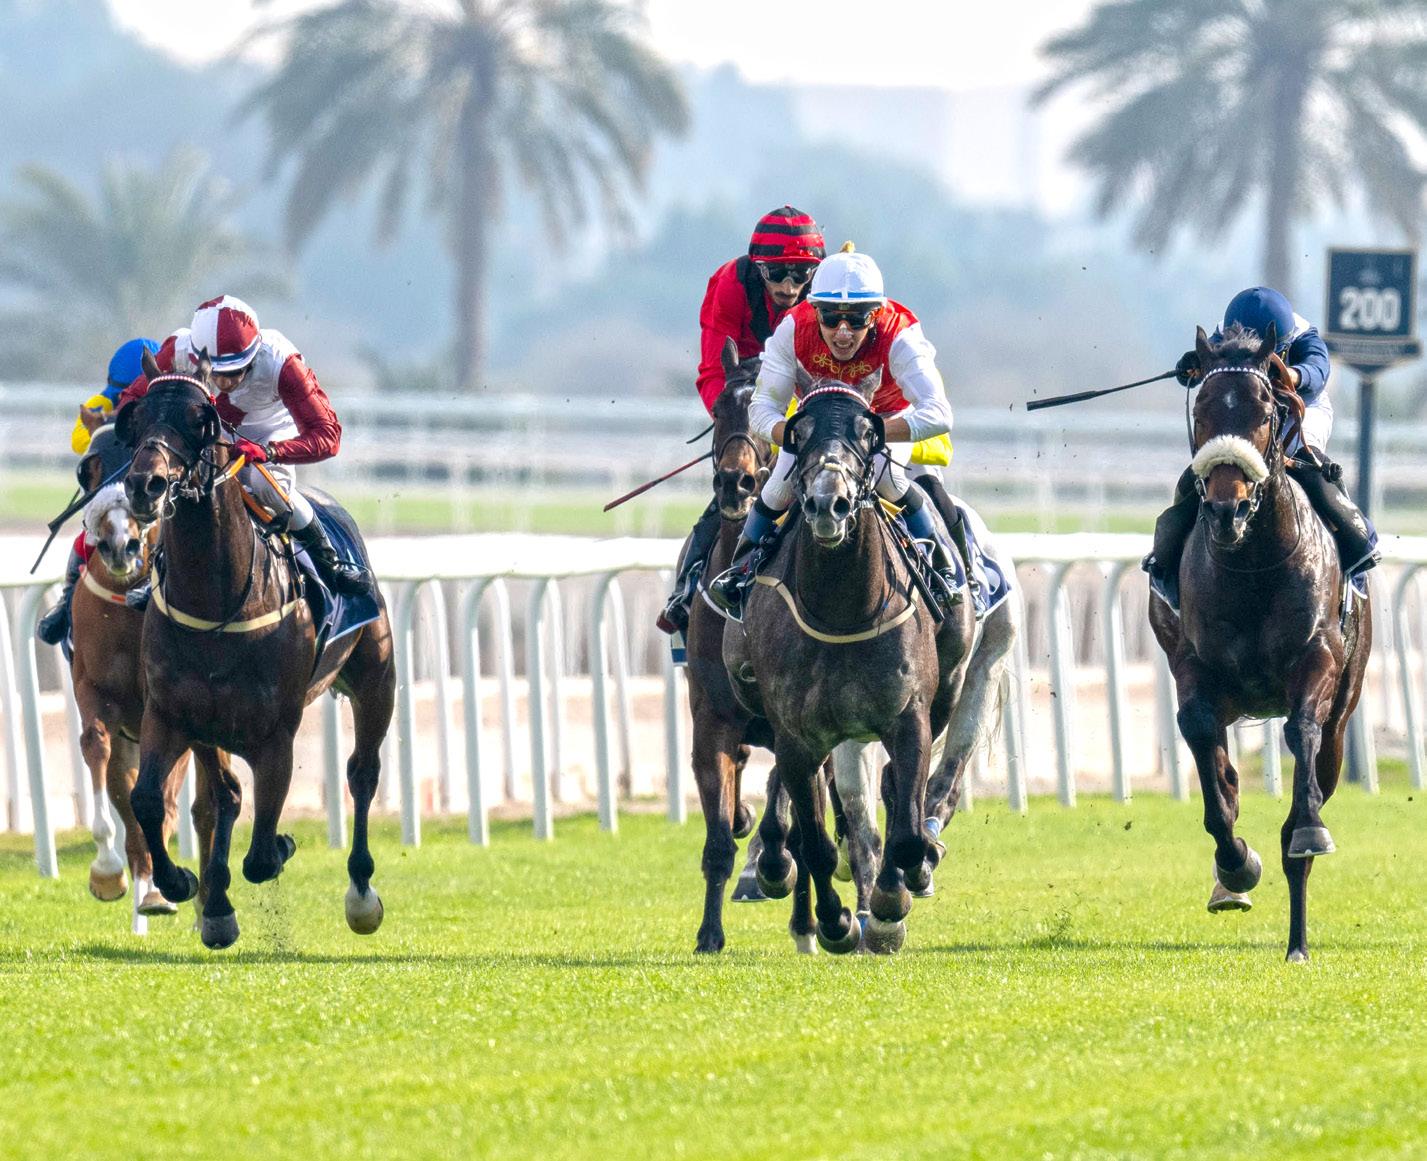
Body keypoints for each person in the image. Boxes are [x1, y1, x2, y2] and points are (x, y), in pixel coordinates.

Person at [707, 245, 969, 613]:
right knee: (779, 485)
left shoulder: (900, 336)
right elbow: (762, 410)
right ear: (814, 310)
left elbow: (940, 414)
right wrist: (794, 437)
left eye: (857, 320)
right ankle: (739, 572)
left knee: (890, 479)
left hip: (880, 420)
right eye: (830, 318)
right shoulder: (792, 329)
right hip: (814, 427)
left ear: (876, 314)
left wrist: (871, 433)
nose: (843, 334)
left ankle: (946, 570)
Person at [118, 294, 374, 598]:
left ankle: (329, 563)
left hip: (269, 434)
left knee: (264, 487)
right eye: (217, 373)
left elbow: (328, 436)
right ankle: (159, 573)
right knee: (179, 484)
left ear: (253, 354)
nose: (224, 383)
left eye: (234, 371)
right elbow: (132, 397)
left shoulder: (283, 363)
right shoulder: (177, 350)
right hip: (207, 431)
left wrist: (270, 452)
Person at [1144, 286, 1379, 612]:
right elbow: (1208, 364)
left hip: (1300, 409)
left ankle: (1357, 547)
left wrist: (1291, 374)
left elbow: (1318, 372)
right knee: (1195, 476)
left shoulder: (1303, 334)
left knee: (1310, 465)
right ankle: (1166, 563)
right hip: (1246, 411)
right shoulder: (1224, 332)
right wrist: (1192, 368)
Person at [655, 207, 826, 635]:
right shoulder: (731, 285)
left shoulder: (827, 292)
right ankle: (688, 588)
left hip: (804, 381)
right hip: (742, 383)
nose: (789, 287)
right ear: (757, 266)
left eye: (800, 275)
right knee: (734, 485)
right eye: (776, 274)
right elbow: (713, 371)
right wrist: (736, 426)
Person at [35, 338, 161, 646]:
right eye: (121, 395)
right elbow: (79, 442)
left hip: (156, 496)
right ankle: (66, 602)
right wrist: (104, 420)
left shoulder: (165, 407)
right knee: (86, 538)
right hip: (112, 493)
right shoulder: (101, 403)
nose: (124, 401)